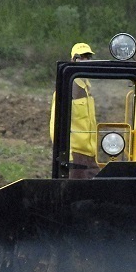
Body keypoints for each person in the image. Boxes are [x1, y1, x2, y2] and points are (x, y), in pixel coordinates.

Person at [48, 43, 99, 179]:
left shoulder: (87, 87)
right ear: (73, 60)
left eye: (88, 57)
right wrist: (65, 154)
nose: (85, 61)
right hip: (75, 156)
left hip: (91, 155)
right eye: (81, 57)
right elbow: (55, 126)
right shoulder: (66, 89)